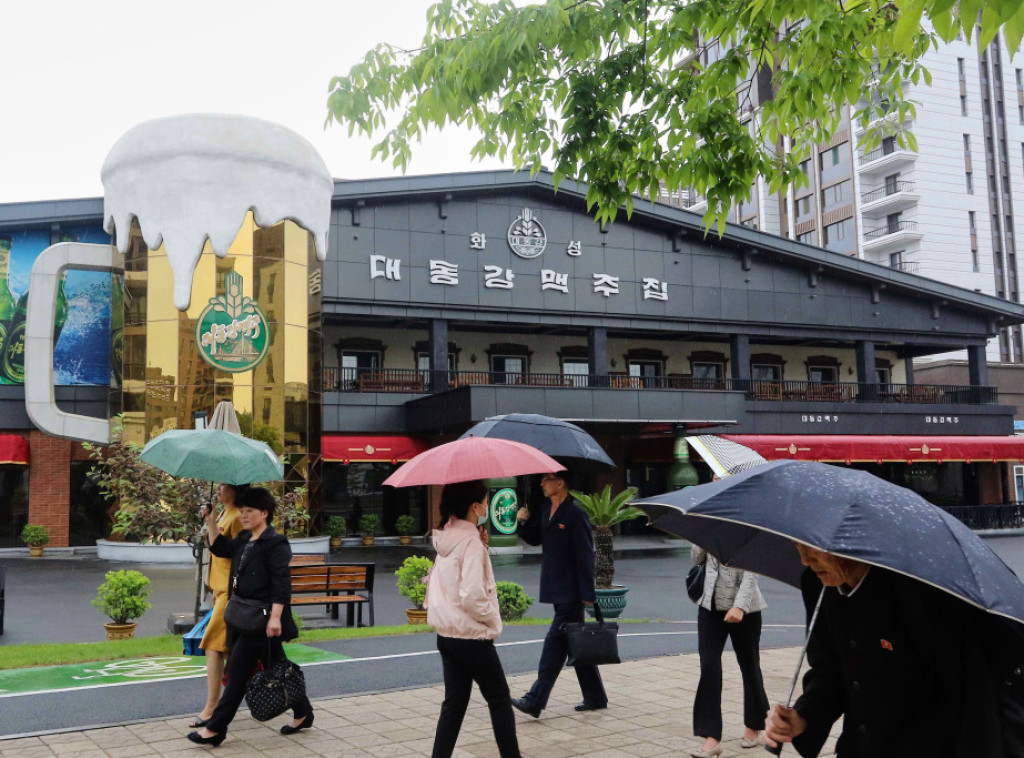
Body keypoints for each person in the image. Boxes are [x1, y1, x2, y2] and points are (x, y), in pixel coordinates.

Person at [764, 543, 1004, 757]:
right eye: (798, 546)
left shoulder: (920, 590)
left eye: (813, 548)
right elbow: (829, 669)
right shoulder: (818, 584)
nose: (805, 559)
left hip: (929, 743)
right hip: (859, 746)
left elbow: (971, 689)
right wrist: (804, 716)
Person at [187, 486, 313, 747]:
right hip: (242, 616)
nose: (243, 515)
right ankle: (303, 713)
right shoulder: (245, 538)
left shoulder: (275, 543)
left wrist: (275, 617)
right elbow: (220, 548)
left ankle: (216, 728)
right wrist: (211, 521)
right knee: (278, 665)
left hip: (262, 619)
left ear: (264, 513)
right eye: (242, 511)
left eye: (249, 511)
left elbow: (281, 583)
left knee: (237, 673)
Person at [425, 480, 521, 758]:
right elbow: (472, 596)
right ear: (475, 506)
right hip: (471, 636)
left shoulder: (447, 538)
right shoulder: (469, 543)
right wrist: (493, 622)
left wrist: (481, 547)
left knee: (454, 704)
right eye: (486, 502)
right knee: (499, 698)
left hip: (447, 635)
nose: (487, 507)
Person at [511, 470, 607, 717]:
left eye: (547, 479)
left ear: (560, 482)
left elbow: (585, 555)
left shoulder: (575, 514)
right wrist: (522, 522)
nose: (542, 483)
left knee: (554, 646)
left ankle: (535, 700)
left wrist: (587, 592)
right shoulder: (546, 509)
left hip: (572, 593)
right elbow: (536, 539)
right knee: (574, 642)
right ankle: (595, 696)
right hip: (555, 587)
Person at [689, 543, 769, 757]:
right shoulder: (711, 529)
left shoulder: (748, 532)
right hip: (709, 607)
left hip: (745, 611)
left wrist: (740, 606)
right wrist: (701, 538)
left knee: (750, 666)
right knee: (709, 668)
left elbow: (752, 573)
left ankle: (754, 725)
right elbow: (696, 560)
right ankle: (711, 737)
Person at [189, 483, 247, 729]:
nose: (219, 490)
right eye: (219, 485)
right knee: (233, 651)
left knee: (213, 644)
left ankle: (212, 707)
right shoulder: (224, 512)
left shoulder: (238, 516)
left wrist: (212, 524)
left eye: (224, 486)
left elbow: (228, 553)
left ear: (235, 489)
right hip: (220, 590)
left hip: (230, 592)